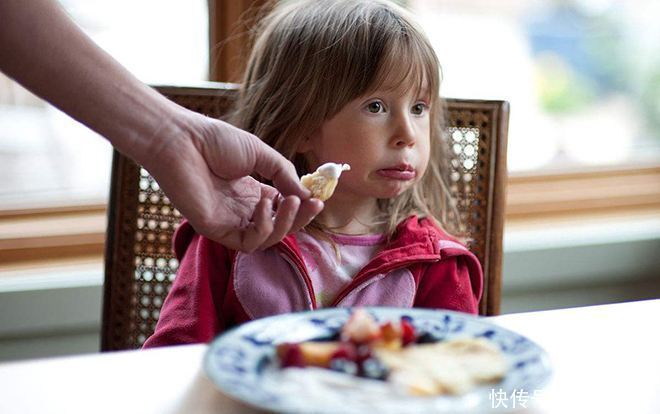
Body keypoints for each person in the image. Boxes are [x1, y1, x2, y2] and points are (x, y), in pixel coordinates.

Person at [144, 0, 483, 348]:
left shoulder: (438, 263)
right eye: (376, 106)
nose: (408, 133)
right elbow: (175, 358)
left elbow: (456, 374)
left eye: (418, 107)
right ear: (302, 127)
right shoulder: (231, 238)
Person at [0, 0, 323, 252]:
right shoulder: (231, 247)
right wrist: (167, 138)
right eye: (373, 107)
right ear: (305, 128)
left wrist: (168, 138)